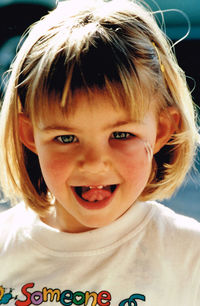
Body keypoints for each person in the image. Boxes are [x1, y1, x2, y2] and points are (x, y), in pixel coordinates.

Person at [0, 0, 199, 305]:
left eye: (121, 135)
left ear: (161, 130)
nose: (93, 163)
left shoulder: (189, 256)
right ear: (29, 135)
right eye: (66, 138)